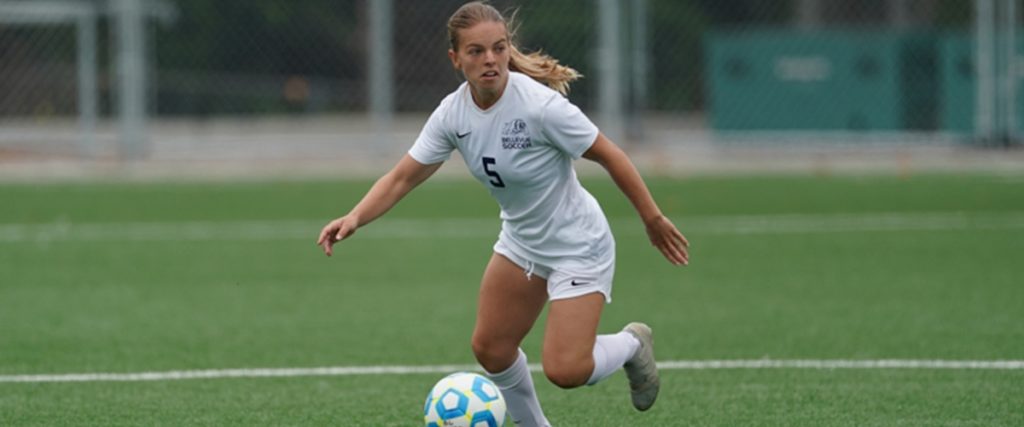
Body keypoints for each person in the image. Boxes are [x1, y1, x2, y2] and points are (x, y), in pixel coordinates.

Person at [317, 2, 689, 425]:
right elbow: (403, 177)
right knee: (491, 349)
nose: (490, 59)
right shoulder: (453, 113)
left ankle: (631, 346)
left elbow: (611, 155)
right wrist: (355, 217)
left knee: (566, 370)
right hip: (522, 242)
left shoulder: (539, 107)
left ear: (508, 49)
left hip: (578, 245)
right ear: (455, 59)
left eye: (498, 48)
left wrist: (652, 218)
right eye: (476, 51)